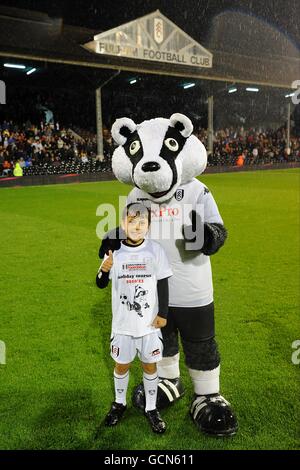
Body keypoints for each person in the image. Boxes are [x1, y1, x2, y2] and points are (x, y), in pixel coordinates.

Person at [96, 203, 173, 434]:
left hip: (149, 324)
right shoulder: (114, 250)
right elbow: (100, 282)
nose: (137, 227)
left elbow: (163, 282)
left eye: (142, 223)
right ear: (123, 224)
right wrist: (105, 269)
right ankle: (119, 403)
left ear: (148, 226)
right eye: (132, 222)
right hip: (122, 325)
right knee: (122, 365)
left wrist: (163, 314)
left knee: (149, 365)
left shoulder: (155, 250)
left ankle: (151, 408)